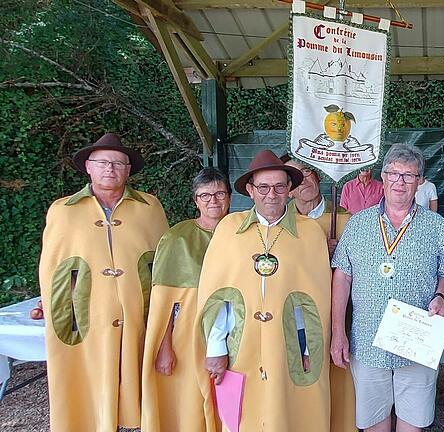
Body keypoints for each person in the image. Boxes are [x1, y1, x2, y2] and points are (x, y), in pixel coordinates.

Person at [194, 150, 332, 431]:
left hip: (290, 344)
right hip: (239, 344)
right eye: (264, 187)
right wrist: (216, 347)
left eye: (280, 187)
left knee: (289, 413)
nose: (272, 194)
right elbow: (218, 295)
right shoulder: (229, 228)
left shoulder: (309, 232)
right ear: (250, 190)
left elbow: (315, 300)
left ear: (289, 189)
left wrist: (309, 349)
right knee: (243, 415)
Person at [38, 133, 169, 431]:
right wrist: (50, 301)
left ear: (128, 170)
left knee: (140, 379)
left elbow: (163, 262)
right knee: (89, 381)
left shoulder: (150, 208)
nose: (110, 168)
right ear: (88, 167)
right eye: (102, 162)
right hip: (86, 318)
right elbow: (52, 266)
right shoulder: (63, 211)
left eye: (118, 163)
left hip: (139, 315)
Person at [330, 144, 444, 432]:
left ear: (420, 181)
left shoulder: (436, 225)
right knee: (374, 423)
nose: (400, 182)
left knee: (413, 424)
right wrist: (339, 332)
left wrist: (440, 296)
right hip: (368, 339)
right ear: (382, 177)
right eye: (394, 174)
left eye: (408, 176)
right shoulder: (357, 224)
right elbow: (342, 277)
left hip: (416, 341)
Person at [141, 167, 231, 432]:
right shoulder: (177, 237)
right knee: (190, 404)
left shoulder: (241, 232)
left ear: (229, 197)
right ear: (195, 200)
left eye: (219, 193)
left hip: (235, 330)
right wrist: (164, 346)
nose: (213, 201)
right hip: (187, 334)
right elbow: (164, 302)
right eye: (205, 195)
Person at [283, 155, 356, 431]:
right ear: (288, 188)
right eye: (297, 177)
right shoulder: (280, 224)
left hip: (338, 310)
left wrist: (341, 256)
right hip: (297, 312)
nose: (306, 180)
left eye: (309, 172)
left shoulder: (345, 219)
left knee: (337, 376)